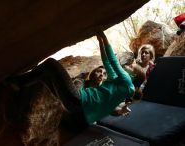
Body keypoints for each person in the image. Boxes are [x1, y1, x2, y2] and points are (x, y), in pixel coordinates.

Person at [13, 30, 142, 130]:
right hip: (81, 118)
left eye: (131, 67)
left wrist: (103, 36)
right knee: (47, 77)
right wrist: (100, 42)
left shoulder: (127, 82)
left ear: (133, 76)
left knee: (51, 64)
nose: (127, 66)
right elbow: (106, 62)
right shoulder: (119, 86)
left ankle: (17, 83)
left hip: (79, 101)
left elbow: (114, 62)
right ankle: (22, 86)